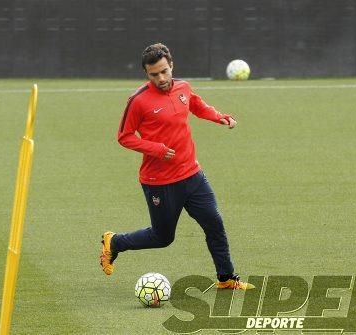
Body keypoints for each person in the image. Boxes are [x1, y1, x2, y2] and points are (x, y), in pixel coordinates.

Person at [99, 43, 253, 290]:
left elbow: (197, 105)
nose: (161, 78)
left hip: (192, 175)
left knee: (214, 223)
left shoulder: (183, 87)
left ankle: (226, 279)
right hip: (159, 182)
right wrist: (156, 149)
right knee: (162, 238)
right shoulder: (138, 101)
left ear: (171, 65)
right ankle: (115, 242)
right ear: (146, 73)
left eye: (164, 71)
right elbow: (124, 136)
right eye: (154, 74)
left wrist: (219, 116)